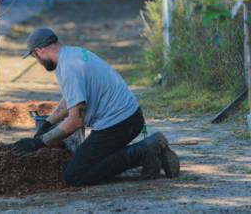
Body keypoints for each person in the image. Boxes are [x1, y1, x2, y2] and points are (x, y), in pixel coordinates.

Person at [11, 27, 180, 186]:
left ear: (39, 51)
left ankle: (144, 151)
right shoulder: (72, 55)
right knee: (90, 159)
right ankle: (145, 152)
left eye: (35, 57)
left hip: (120, 125)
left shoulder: (69, 68)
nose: (38, 62)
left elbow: (75, 121)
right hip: (129, 118)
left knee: (74, 175)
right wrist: (47, 124)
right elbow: (70, 99)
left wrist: (39, 143)